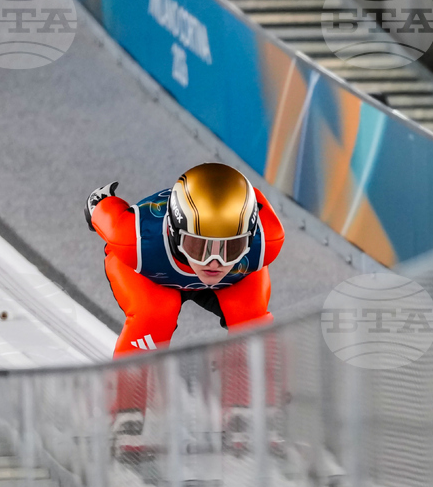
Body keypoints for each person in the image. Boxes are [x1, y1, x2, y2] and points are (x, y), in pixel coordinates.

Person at [85, 162, 285, 441]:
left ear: (249, 237)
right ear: (174, 232)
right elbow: (104, 212)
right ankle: (125, 411)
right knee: (153, 315)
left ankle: (249, 404)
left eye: (231, 246)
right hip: (151, 273)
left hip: (180, 268)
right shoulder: (135, 239)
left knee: (251, 318)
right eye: (198, 246)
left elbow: (254, 196)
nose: (213, 262)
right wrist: (103, 202)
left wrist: (99, 202)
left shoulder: (268, 238)